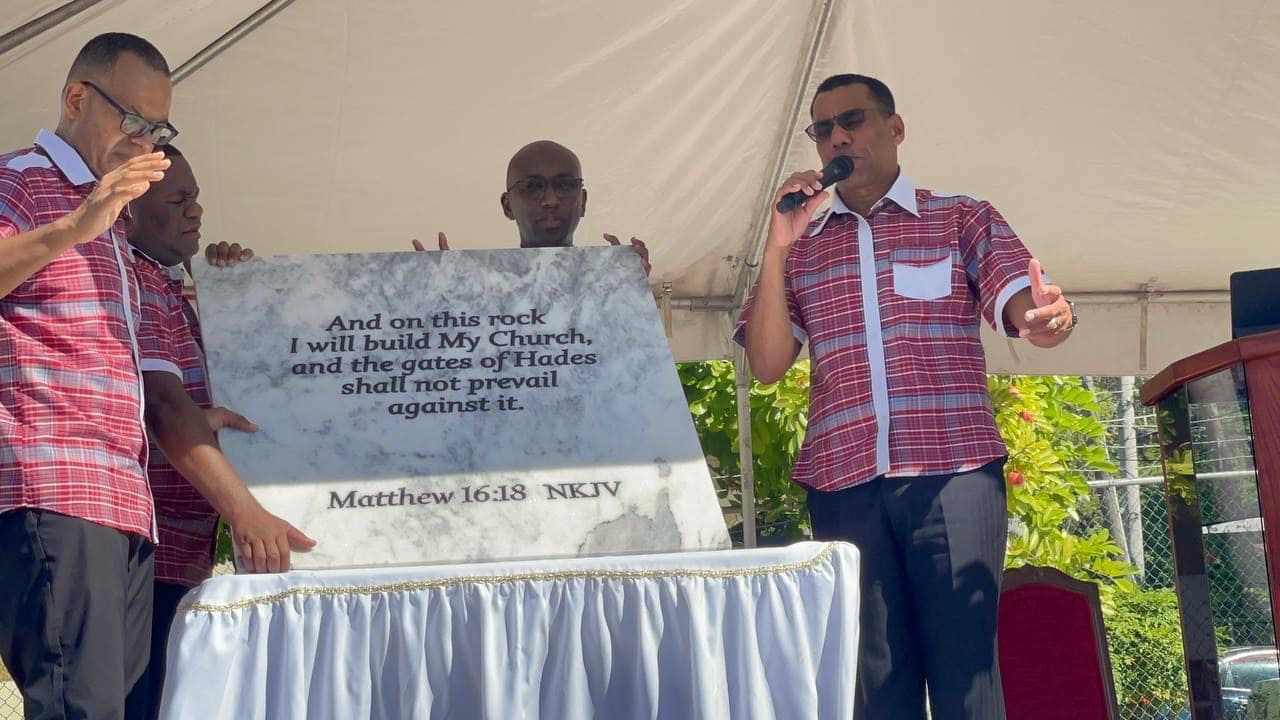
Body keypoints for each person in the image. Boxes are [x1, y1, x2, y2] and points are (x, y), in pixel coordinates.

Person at [737, 73, 1077, 720]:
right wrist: (777, 248)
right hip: (844, 484)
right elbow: (768, 363)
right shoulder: (802, 246)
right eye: (824, 129)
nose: (839, 136)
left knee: (965, 682)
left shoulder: (960, 217)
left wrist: (1043, 318)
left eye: (854, 120)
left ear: (895, 129)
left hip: (952, 476)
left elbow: (1023, 301)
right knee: (874, 685)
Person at [0, 32, 175, 720]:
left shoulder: (112, 219)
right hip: (53, 484)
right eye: (133, 120)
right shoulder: (20, 179)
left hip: (123, 497)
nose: (144, 141)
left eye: (158, 128)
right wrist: (76, 223)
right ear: (77, 98)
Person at [123, 145, 314, 720]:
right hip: (141, 556)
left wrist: (241, 300)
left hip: (187, 555)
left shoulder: (175, 289)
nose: (197, 211)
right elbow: (162, 404)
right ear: (128, 209)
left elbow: (258, 397)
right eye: (179, 199)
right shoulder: (129, 282)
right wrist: (246, 512)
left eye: (197, 197)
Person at [413, 140, 651, 274]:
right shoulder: (476, 284)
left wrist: (630, 291)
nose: (551, 200)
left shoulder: (611, 279)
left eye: (565, 185)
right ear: (507, 206)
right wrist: (439, 300)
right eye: (533, 187)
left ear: (583, 202)